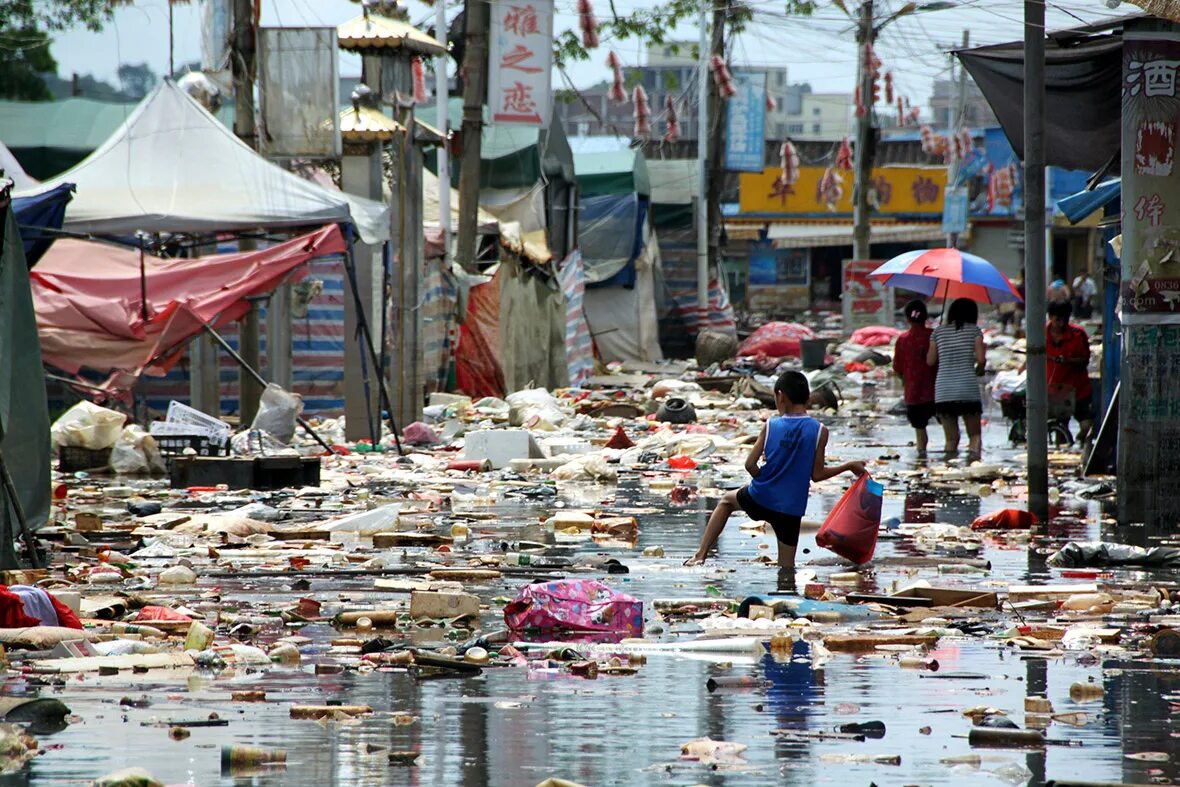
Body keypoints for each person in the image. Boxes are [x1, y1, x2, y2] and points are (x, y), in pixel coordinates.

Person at [685, 371, 865, 588]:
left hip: (761, 496)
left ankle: (700, 555)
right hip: (791, 509)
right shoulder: (819, 431)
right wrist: (847, 466)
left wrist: (764, 480)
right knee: (786, 569)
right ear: (807, 398)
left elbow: (749, 464)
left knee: (725, 502)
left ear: (780, 396)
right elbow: (817, 476)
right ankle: (785, 602)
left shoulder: (771, 425)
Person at [927, 297, 986, 458]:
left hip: (944, 391)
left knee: (951, 439)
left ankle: (948, 471)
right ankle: (974, 468)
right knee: (974, 436)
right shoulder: (974, 331)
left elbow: (930, 361)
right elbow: (981, 360)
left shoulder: (938, 332)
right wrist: (980, 369)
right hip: (967, 389)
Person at [892, 299, 937, 457]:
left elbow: (897, 368)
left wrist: (905, 380)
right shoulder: (933, 336)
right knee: (949, 429)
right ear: (925, 317)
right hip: (936, 391)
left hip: (914, 393)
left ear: (908, 318)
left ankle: (921, 459)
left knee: (920, 431)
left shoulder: (903, 340)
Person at [1046, 300, 1094, 442]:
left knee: (1087, 427)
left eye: (1065, 320)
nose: (1061, 324)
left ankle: (1080, 446)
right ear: (1050, 317)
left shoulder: (1078, 334)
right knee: (1060, 429)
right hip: (1056, 390)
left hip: (1079, 389)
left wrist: (1068, 360)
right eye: (1057, 320)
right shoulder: (1041, 335)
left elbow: (1085, 359)